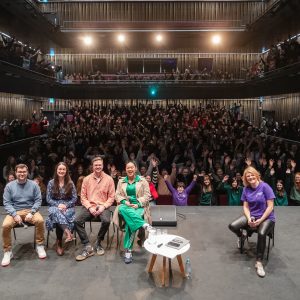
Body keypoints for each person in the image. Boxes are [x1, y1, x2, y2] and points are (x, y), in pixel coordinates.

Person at [228, 166, 275, 278]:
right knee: (232, 226)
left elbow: (270, 207)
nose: (250, 177)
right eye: (248, 176)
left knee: (262, 233)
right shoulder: (246, 189)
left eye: (252, 175)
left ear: (256, 175)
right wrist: (249, 219)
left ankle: (259, 262)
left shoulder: (265, 187)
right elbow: (245, 207)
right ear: (245, 179)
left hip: (267, 217)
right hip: (252, 216)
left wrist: (260, 220)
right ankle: (242, 236)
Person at [2, 164, 46, 267]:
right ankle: (8, 251)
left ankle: (39, 245)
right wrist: (14, 214)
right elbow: (7, 202)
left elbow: (38, 200)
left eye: (24, 172)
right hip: (15, 211)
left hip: (30, 210)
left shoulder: (34, 185)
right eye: (19, 172)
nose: (22, 174)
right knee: (5, 225)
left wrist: (32, 212)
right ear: (16, 173)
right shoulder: (9, 186)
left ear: (27, 173)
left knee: (40, 221)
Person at [74, 156, 115, 261]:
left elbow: (111, 197)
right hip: (89, 206)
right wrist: (90, 207)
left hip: (103, 205)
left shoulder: (109, 179)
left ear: (103, 166)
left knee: (106, 220)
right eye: (96, 165)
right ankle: (87, 245)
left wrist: (103, 207)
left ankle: (98, 242)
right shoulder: (86, 179)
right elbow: (83, 197)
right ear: (92, 166)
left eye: (99, 165)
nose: (98, 167)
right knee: (77, 220)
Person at [113, 161, 152, 264]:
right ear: (126, 170)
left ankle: (128, 250)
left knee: (130, 224)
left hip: (139, 207)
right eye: (128, 168)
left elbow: (147, 195)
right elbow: (117, 195)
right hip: (126, 206)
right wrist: (124, 201)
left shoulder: (142, 181)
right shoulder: (121, 181)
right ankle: (143, 224)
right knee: (121, 208)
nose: (130, 169)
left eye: (132, 168)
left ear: (135, 169)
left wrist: (138, 204)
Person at [45, 162, 77, 256]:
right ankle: (67, 233)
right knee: (57, 212)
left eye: (63, 169)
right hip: (55, 207)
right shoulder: (51, 183)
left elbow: (74, 198)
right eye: (60, 169)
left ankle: (59, 242)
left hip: (68, 207)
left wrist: (66, 205)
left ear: (66, 171)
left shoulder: (70, 183)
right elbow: (48, 198)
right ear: (56, 170)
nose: (61, 171)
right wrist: (58, 205)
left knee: (59, 215)